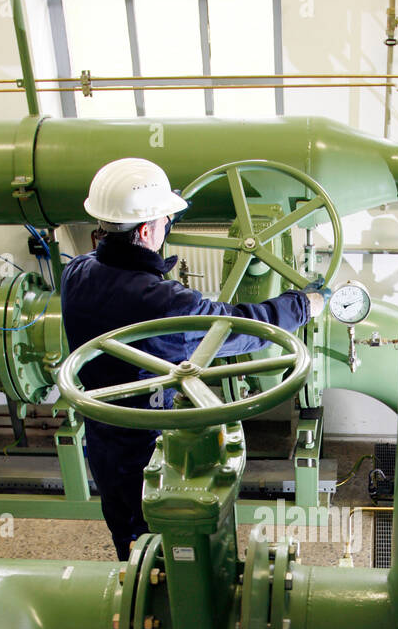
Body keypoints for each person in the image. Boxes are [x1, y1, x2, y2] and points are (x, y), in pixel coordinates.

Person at [61, 158, 327, 559]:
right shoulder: (165, 303)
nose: (167, 229)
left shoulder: (75, 273)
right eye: (166, 222)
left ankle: (138, 589)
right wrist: (303, 305)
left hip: (102, 435)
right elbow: (241, 327)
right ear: (147, 229)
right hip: (151, 447)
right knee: (172, 539)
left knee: (129, 537)